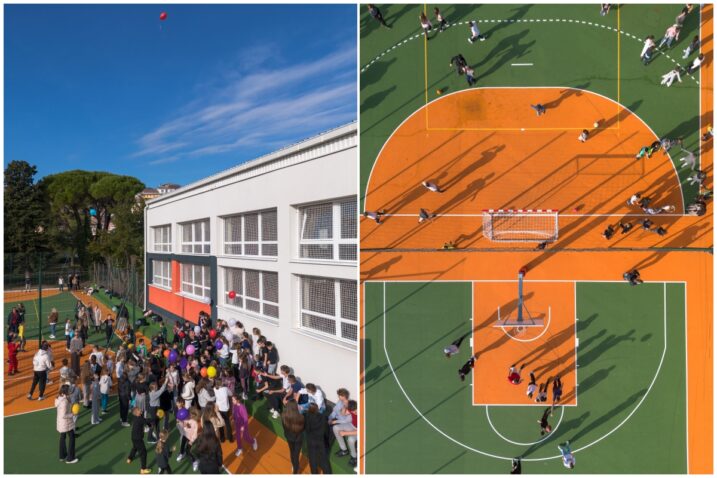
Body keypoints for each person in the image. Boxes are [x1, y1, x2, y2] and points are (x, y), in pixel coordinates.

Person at [304, 403, 332, 474]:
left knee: (312, 460)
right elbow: (326, 430)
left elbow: (306, 428)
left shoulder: (306, 416)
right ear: (317, 409)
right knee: (324, 460)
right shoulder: (323, 417)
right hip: (321, 441)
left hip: (311, 441)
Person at [56, 384, 79, 464]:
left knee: (62, 437)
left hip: (61, 423)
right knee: (72, 437)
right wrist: (73, 414)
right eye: (69, 390)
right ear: (66, 391)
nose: (70, 391)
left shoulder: (60, 398)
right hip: (66, 423)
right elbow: (64, 415)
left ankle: (62, 455)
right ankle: (70, 458)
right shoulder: (64, 402)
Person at [282, 401, 305, 474]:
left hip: (289, 438)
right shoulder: (301, 417)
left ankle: (294, 466)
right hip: (298, 439)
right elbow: (303, 428)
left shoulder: (283, 416)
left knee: (292, 452)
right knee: (296, 455)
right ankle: (295, 470)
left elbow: (284, 427)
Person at [127, 407, 152, 474]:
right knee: (143, 453)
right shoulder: (139, 419)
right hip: (138, 439)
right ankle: (143, 469)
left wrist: (149, 425)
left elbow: (144, 421)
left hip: (133, 437)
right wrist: (156, 417)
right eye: (138, 410)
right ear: (137, 413)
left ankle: (129, 458)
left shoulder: (137, 417)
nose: (140, 409)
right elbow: (147, 420)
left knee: (135, 447)